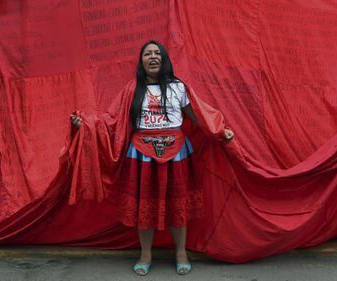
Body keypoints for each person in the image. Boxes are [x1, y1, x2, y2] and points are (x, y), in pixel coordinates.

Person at [70, 40, 234, 276]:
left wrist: (219, 132)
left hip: (176, 152)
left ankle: (181, 253)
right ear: (142, 61)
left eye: (158, 53)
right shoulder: (131, 89)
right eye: (148, 54)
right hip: (141, 155)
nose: (153, 56)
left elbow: (198, 114)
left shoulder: (178, 87)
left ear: (165, 59)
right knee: (144, 205)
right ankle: (145, 254)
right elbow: (111, 120)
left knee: (178, 203)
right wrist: (85, 124)